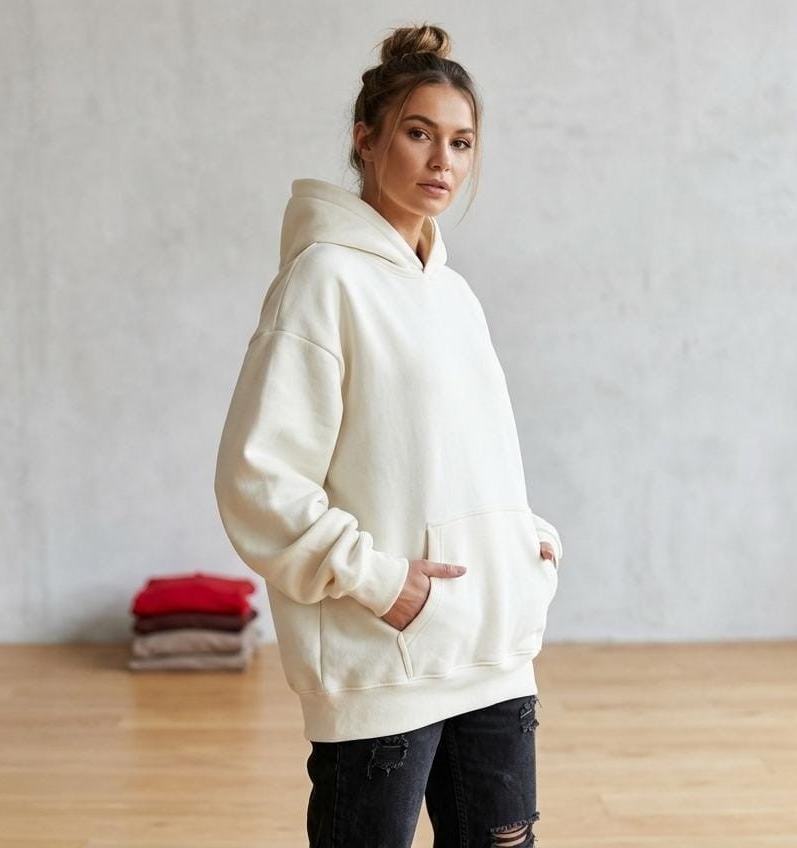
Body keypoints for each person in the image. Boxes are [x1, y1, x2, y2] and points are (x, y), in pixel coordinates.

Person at [214, 21, 563, 848]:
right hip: (381, 662)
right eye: (418, 134)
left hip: (493, 653)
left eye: (461, 142)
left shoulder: (455, 295)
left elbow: (461, 455)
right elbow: (258, 482)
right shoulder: (323, 281)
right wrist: (381, 583)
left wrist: (524, 543)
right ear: (365, 140)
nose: (443, 161)